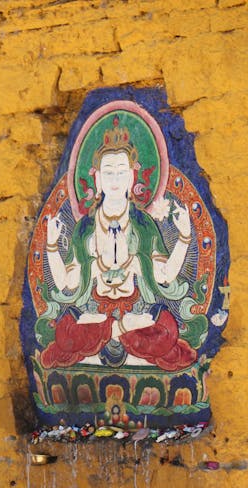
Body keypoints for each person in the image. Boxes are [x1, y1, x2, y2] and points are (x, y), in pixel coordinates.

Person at [40, 117, 198, 371]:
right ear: (98, 180)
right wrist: (50, 246)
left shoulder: (143, 225)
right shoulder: (86, 228)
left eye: (122, 172)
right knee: (64, 333)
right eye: (109, 172)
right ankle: (116, 332)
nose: (115, 179)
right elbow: (65, 283)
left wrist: (184, 237)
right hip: (95, 313)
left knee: (167, 330)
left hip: (137, 312)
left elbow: (166, 275)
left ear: (132, 178)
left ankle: (113, 333)